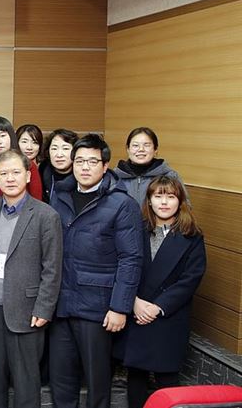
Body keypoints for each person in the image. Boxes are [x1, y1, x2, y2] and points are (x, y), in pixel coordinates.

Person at [48, 134, 145, 408]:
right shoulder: (59, 196)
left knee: (97, 381)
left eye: (92, 161)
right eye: (79, 161)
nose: (85, 167)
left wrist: (120, 307)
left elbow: (131, 259)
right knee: (61, 379)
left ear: (104, 166)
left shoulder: (122, 204)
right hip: (60, 304)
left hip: (98, 307)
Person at [0, 150, 63, 408]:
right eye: (4, 173)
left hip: (27, 311)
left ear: (28, 175)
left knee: (26, 383)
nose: (10, 178)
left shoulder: (46, 215)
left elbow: (52, 267)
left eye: (16, 172)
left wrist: (44, 308)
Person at [118, 176, 206, 408]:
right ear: (149, 200)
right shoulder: (135, 229)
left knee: (168, 381)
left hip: (168, 316)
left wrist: (158, 307)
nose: (164, 202)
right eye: (158, 196)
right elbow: (123, 266)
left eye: (170, 196)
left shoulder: (192, 236)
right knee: (136, 377)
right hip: (136, 312)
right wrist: (133, 301)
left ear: (180, 201)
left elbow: (191, 279)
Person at [112, 127, 186, 207]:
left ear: (155, 149)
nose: (141, 149)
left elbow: (184, 207)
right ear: (128, 149)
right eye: (135, 145)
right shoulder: (114, 177)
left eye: (147, 145)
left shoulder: (170, 176)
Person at [40, 129, 79, 204]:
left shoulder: (82, 175)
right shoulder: (41, 172)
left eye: (65, 148)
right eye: (54, 148)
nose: (59, 155)